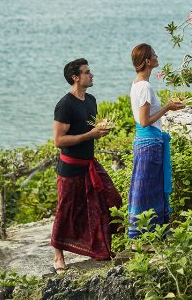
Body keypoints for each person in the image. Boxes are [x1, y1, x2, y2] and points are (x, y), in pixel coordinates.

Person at [50, 58, 123, 274]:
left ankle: (101, 249)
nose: (91, 75)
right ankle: (58, 257)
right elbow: (59, 141)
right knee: (66, 211)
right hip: (70, 167)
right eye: (87, 72)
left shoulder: (91, 100)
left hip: (90, 163)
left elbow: (89, 133)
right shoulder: (65, 105)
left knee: (110, 200)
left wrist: (99, 132)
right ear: (76, 78)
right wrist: (89, 135)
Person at [128, 44, 185, 240]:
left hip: (146, 142)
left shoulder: (137, 84)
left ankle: (148, 236)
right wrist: (167, 107)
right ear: (147, 61)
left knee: (146, 188)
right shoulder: (144, 86)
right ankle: (141, 239)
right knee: (147, 190)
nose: (157, 56)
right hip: (149, 143)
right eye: (153, 54)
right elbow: (145, 121)